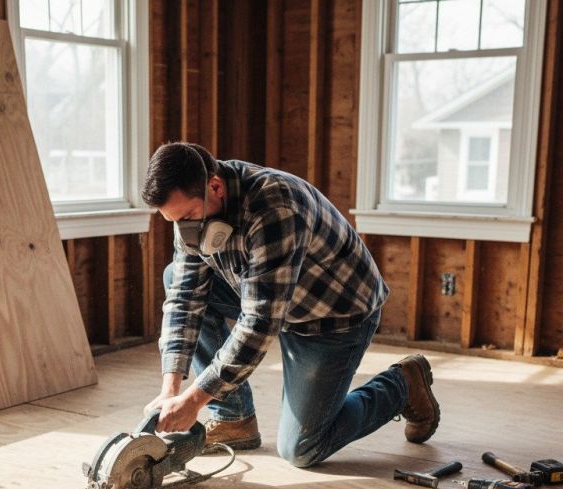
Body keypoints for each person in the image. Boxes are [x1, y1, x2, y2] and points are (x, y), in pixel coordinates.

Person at [141, 141, 440, 467]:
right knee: (176, 277)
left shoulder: (275, 207)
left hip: (332, 316)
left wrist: (195, 399)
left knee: (302, 449)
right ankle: (233, 418)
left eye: (188, 216)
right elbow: (185, 298)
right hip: (272, 297)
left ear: (215, 186)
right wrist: (171, 389)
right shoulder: (191, 209)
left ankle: (403, 385)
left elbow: (258, 324)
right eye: (175, 221)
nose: (185, 230)